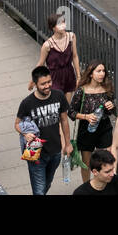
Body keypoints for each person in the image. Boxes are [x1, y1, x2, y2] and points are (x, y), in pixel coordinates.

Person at [15, 66, 72, 196]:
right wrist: (25, 133)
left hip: (55, 150)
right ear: (35, 84)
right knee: (39, 190)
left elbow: (64, 120)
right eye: (43, 84)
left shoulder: (58, 96)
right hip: (35, 152)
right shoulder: (27, 103)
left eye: (49, 82)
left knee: (47, 183)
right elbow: (17, 124)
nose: (47, 86)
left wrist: (67, 144)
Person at [69, 61, 117, 182]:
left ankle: (104, 184)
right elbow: (71, 112)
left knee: (106, 161)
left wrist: (112, 106)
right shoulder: (82, 91)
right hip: (87, 129)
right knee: (87, 163)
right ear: (91, 74)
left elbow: (112, 111)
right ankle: (87, 187)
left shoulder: (107, 89)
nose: (102, 74)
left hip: (104, 127)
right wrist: (86, 116)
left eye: (103, 71)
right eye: (98, 71)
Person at [38, 12, 80, 99]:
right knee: (57, 104)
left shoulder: (71, 37)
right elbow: (41, 63)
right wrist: (34, 80)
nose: (63, 25)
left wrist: (78, 76)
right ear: (53, 27)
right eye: (59, 23)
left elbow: (75, 56)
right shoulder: (47, 45)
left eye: (63, 22)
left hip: (69, 74)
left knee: (66, 107)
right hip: (54, 77)